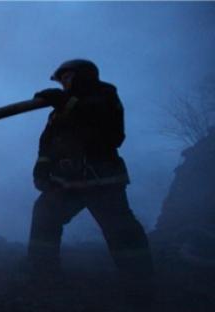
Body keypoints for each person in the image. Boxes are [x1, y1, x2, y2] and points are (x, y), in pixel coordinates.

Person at [29, 59, 154, 281]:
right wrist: (41, 170)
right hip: (67, 182)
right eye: (62, 80)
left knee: (121, 230)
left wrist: (67, 103)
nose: (64, 83)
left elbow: (111, 133)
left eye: (67, 77)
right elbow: (47, 142)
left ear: (84, 75)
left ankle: (139, 280)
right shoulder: (59, 109)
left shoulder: (105, 95)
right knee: (45, 215)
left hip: (102, 181)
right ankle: (41, 271)